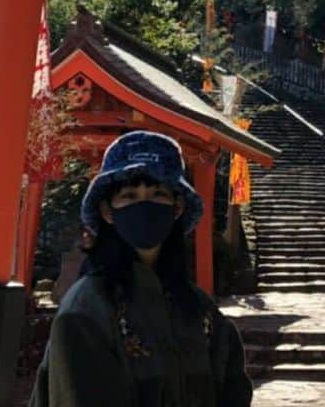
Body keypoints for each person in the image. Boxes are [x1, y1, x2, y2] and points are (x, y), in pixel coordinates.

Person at [29, 131, 252, 406]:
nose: (144, 205)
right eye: (129, 196)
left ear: (177, 207)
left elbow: (231, 389)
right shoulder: (86, 309)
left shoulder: (198, 307)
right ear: (108, 211)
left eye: (158, 194)